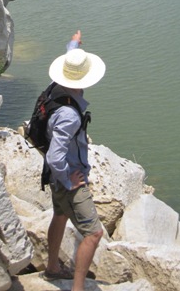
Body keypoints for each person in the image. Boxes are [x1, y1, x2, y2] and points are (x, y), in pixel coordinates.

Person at [43, 29, 105, 291]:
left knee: (60, 215)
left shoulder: (56, 88)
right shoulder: (70, 114)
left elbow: (71, 61)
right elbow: (55, 154)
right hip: (69, 176)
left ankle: (52, 268)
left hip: (55, 176)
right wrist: (70, 179)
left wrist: (74, 44)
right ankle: (78, 288)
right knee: (93, 234)